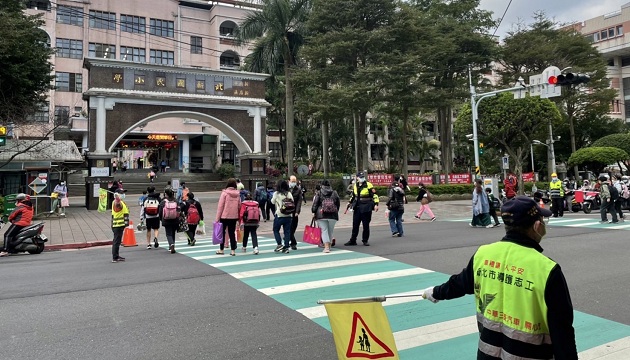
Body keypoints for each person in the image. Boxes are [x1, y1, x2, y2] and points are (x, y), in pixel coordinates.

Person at [421, 196, 578, 360]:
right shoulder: (547, 269)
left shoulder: (483, 254)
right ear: (537, 226)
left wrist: (435, 292)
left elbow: (459, 284)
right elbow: (562, 333)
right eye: (542, 220)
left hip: (487, 355)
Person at [345, 172, 379, 246]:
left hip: (366, 207)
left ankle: (365, 240)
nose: (362, 178)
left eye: (362, 177)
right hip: (357, 207)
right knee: (355, 225)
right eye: (360, 177)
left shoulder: (368, 185)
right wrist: (349, 202)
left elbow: (375, 195)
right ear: (357, 177)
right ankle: (353, 240)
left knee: (366, 225)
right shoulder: (355, 185)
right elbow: (354, 196)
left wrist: (376, 204)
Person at [312, 179, 340, 253]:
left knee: (324, 230)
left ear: (322, 185)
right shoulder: (334, 192)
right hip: (333, 215)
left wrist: (313, 211)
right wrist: (336, 210)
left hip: (321, 215)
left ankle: (326, 247)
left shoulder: (319, 192)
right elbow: (338, 203)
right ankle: (329, 245)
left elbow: (315, 204)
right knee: (330, 231)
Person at [215, 178, 241, 256]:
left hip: (224, 216)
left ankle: (221, 249)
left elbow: (220, 206)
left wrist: (217, 218)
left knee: (222, 233)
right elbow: (239, 206)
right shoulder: (237, 194)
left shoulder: (224, 193)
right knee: (232, 233)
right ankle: (233, 251)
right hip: (234, 216)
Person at [271, 179, 294, 253]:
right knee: (287, 231)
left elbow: (272, 201)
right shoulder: (289, 193)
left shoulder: (276, 194)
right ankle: (286, 247)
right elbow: (292, 202)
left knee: (275, 230)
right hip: (289, 215)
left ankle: (279, 244)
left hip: (280, 215)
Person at [159, 187, 181, 254]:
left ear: (166, 194)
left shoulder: (163, 201)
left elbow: (160, 211)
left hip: (166, 220)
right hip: (175, 219)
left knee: (168, 234)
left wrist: (161, 218)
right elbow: (179, 210)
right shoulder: (176, 201)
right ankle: (173, 244)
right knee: (173, 232)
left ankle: (171, 244)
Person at [111, 189, 129, 263]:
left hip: (119, 225)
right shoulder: (116, 202)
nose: (123, 194)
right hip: (118, 225)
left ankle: (116, 255)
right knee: (116, 241)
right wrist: (117, 199)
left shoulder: (121, 202)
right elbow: (118, 205)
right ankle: (115, 257)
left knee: (117, 241)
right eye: (121, 193)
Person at [288, 175, 303, 250]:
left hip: (294, 212)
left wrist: (297, 211)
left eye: (294, 181)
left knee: (293, 227)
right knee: (289, 228)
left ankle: (288, 237)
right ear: (289, 181)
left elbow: (299, 201)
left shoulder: (298, 189)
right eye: (292, 181)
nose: (293, 183)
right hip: (286, 211)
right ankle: (293, 243)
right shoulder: (286, 188)